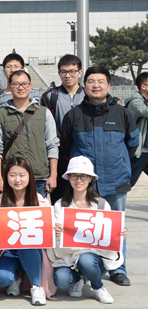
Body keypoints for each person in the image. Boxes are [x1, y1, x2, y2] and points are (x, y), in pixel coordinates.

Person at [60, 65, 138, 286]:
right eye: (91, 81)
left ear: (109, 85)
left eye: (101, 81)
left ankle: (118, 269)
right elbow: (66, 146)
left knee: (116, 227)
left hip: (115, 181)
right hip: (84, 185)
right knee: (84, 226)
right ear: (84, 85)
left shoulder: (122, 113)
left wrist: (120, 162)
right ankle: (84, 266)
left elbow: (133, 143)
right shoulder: (74, 115)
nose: (96, 85)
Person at [48, 156, 126, 304]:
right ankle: (79, 278)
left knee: (86, 259)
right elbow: (57, 238)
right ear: (69, 178)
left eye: (83, 176)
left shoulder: (101, 204)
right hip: (68, 256)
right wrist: (56, 232)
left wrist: (119, 233)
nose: (79, 180)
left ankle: (98, 286)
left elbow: (108, 234)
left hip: (94, 257)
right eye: (74, 176)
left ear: (90, 179)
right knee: (62, 280)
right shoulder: (60, 205)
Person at [0, 157, 55, 306]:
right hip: (8, 251)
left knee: (26, 243)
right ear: (6, 177)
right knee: (1, 277)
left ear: (30, 177)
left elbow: (47, 234)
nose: (17, 179)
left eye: (22, 175)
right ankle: (17, 276)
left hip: (32, 251)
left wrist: (54, 230)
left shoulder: (41, 202)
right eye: (12, 175)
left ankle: (36, 286)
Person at [0, 70, 59, 198]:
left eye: (24, 84)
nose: (21, 88)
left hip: (39, 178)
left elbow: (52, 145)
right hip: (12, 178)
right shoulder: (0, 115)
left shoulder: (44, 113)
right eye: (16, 84)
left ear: (30, 86)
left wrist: (53, 175)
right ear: (10, 87)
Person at [40, 54, 85, 203]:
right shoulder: (50, 96)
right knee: (60, 200)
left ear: (80, 72)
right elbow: (48, 126)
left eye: (72, 71)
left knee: (83, 199)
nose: (68, 75)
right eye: (64, 72)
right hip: (59, 156)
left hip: (84, 154)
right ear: (59, 73)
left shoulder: (88, 95)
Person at [125, 72, 148, 187]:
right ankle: (110, 198)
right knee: (128, 182)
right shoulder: (135, 102)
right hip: (139, 151)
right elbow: (146, 112)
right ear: (143, 86)